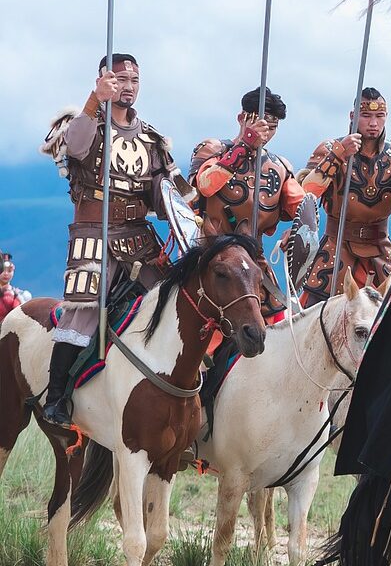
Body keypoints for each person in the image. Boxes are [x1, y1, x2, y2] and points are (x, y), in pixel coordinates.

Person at [43, 53, 191, 427]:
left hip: (140, 239)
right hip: (95, 236)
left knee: (170, 302)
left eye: (134, 80)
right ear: (103, 80)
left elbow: (169, 194)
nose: (128, 86)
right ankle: (57, 397)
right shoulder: (86, 124)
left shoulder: (152, 138)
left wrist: (193, 226)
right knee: (84, 312)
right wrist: (95, 100)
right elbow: (74, 148)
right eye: (120, 79)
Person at [295, 88, 391, 307]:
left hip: (381, 250)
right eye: (366, 116)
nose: (373, 123)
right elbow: (306, 192)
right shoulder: (329, 148)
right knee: (315, 313)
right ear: (353, 116)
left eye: (379, 116)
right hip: (335, 250)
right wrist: (338, 154)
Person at [191, 87, 309, 321]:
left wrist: (296, 231)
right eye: (260, 126)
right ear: (241, 118)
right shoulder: (213, 149)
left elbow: (304, 208)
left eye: (272, 128)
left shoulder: (280, 167)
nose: (265, 134)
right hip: (210, 257)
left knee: (276, 331)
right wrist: (245, 145)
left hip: (255, 263)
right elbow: (205, 185)